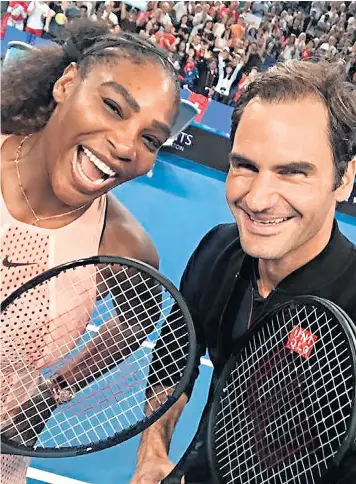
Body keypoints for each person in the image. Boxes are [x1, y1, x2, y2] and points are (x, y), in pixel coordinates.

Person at [131, 60, 356, 484]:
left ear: (344, 179)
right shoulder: (220, 250)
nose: (257, 198)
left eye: (293, 173)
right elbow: (175, 357)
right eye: (246, 166)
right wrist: (153, 451)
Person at [1, 19, 180, 484]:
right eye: (113, 106)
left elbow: (138, 322)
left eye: (150, 139)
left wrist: (55, 391)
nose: (125, 146)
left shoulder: (124, 248)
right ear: (66, 84)